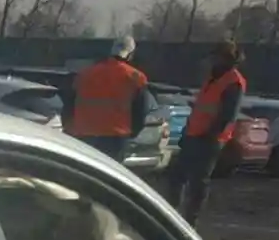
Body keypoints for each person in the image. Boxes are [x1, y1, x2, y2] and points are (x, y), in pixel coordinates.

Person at [163, 40, 247, 224]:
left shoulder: (233, 81)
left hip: (209, 139)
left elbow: (228, 114)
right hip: (194, 134)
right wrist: (187, 131)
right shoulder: (213, 77)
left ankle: (190, 222)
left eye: (215, 56)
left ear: (225, 58)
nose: (211, 60)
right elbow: (201, 107)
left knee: (198, 181)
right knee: (177, 176)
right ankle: (173, 217)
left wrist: (211, 134)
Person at [63, 34, 149, 161]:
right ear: (130, 54)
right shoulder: (136, 77)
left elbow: (69, 104)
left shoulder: (85, 74)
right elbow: (141, 111)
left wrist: (69, 127)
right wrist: (133, 132)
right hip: (116, 137)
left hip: (84, 135)